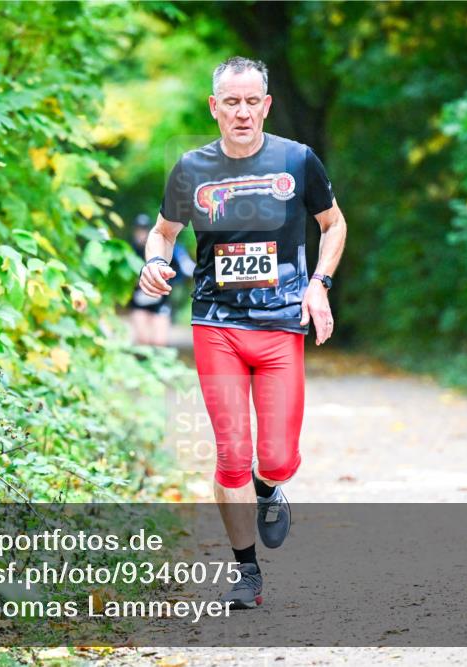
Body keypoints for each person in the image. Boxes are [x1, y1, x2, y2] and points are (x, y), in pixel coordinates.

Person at [138, 56, 347, 609]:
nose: (242, 111)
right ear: (214, 107)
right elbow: (162, 234)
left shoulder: (297, 161)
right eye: (231, 101)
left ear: (267, 105)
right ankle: (246, 572)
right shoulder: (190, 169)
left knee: (275, 457)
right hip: (217, 325)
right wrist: (153, 263)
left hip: (281, 325)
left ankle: (270, 485)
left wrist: (319, 283)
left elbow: (333, 223)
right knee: (231, 453)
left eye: (252, 101)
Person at [128, 214, 194, 346]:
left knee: (160, 341)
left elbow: (187, 270)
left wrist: (168, 281)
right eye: (138, 230)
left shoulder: (165, 248)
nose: (141, 233)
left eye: (144, 230)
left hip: (161, 301)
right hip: (139, 301)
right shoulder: (129, 251)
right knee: (142, 340)